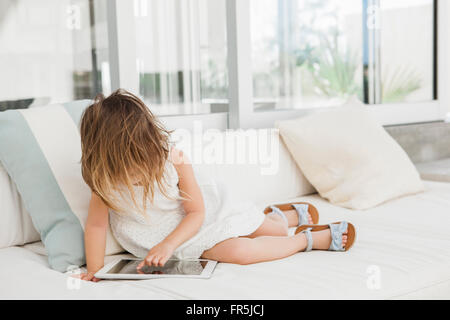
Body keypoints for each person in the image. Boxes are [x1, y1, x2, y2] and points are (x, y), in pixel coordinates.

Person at [78, 89, 355, 282]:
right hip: (176, 243)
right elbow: (96, 226)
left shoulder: (173, 160)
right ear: (108, 160)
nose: (140, 172)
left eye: (146, 158)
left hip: (200, 217)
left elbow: (196, 213)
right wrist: (95, 270)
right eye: (131, 165)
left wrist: (167, 244)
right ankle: (306, 239)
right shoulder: (104, 183)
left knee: (275, 231)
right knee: (241, 252)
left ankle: (283, 218)